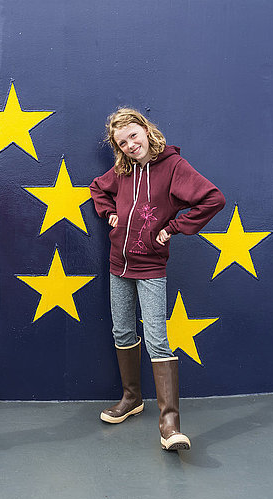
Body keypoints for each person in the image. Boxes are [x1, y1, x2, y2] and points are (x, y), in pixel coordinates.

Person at [90, 108, 225, 451]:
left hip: (150, 266)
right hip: (117, 265)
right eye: (122, 142)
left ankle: (169, 424)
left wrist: (173, 228)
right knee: (122, 331)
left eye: (133, 135)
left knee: (156, 339)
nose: (130, 145)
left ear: (146, 130)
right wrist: (109, 214)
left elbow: (213, 199)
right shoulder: (123, 169)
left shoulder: (173, 167)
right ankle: (131, 398)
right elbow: (98, 189)